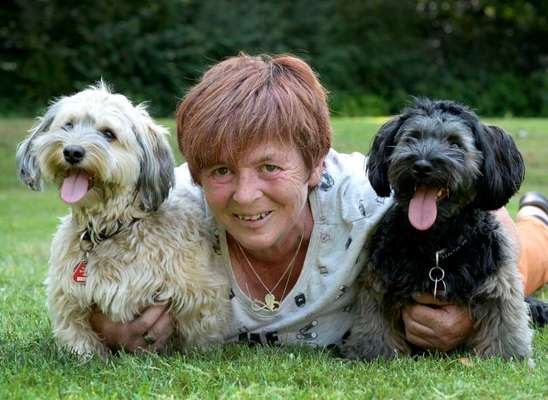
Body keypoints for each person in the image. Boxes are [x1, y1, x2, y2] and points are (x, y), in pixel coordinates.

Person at [90, 53, 548, 353]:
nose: (246, 194)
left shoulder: (366, 196)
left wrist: (467, 321)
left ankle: (538, 216)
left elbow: (487, 215)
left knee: (532, 250)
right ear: (195, 171)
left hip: (493, 238)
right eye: (221, 171)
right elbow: (86, 255)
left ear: (315, 165)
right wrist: (104, 324)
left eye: (270, 168)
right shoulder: (168, 207)